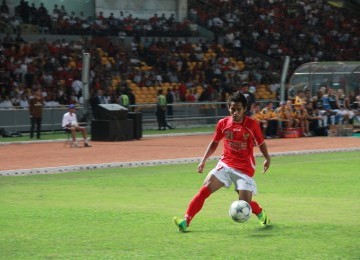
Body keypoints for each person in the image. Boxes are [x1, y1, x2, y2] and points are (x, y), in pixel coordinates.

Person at [173, 91, 271, 232]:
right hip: (226, 164)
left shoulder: (252, 124)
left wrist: (267, 159)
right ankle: (186, 221)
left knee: (244, 204)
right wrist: (203, 161)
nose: (235, 112)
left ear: (244, 109)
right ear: (228, 108)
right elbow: (214, 142)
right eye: (232, 108)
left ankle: (261, 214)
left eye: (238, 109)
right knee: (204, 190)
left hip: (244, 169)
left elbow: (261, 143)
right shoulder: (223, 123)